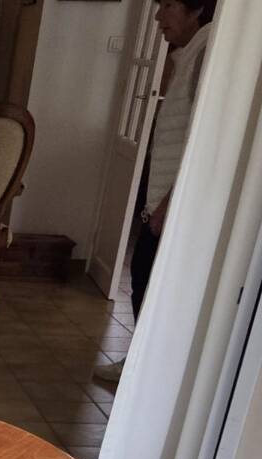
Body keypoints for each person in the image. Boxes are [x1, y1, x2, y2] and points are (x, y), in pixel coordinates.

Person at [94, 0, 216, 384]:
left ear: (196, 9)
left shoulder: (206, 56)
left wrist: (167, 205)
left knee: (149, 279)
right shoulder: (190, 54)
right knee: (145, 278)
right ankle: (141, 367)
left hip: (175, 203)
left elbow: (200, 143)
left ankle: (146, 375)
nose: (159, 17)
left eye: (167, 6)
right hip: (164, 196)